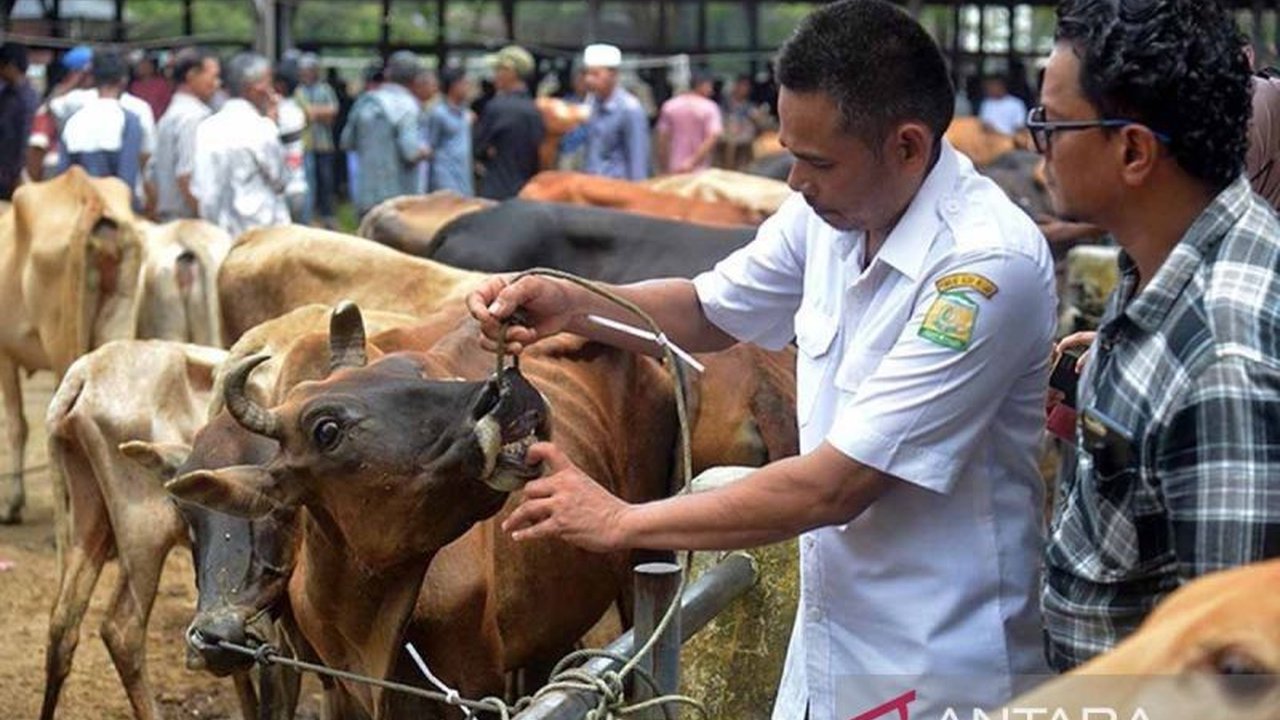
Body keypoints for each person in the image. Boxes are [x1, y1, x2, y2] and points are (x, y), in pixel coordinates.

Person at [467, 2, 1056, 718]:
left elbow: (835, 487)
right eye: (792, 153)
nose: (795, 181)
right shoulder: (831, 214)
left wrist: (622, 521)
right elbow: (709, 309)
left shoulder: (983, 267)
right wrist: (574, 302)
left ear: (907, 146)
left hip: (936, 662)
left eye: (818, 162)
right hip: (829, 648)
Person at [1035, 0, 1280, 672]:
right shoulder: (1165, 263)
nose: (1039, 147)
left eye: (1052, 125)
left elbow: (1233, 677)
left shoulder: (1222, 364)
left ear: (1134, 151)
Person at [191, 52, 289, 237]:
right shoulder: (262, 128)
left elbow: (199, 188)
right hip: (262, 236)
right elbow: (281, 180)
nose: (272, 92)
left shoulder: (206, 128)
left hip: (218, 236)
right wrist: (273, 125)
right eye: (269, 84)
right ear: (255, 89)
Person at [339, 51, 430, 216]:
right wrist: (426, 151)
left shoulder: (365, 102)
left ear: (388, 74)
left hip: (365, 196)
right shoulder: (408, 106)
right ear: (415, 79)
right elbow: (410, 153)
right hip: (397, 204)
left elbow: (347, 142)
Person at [58, 49, 150, 209]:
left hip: (79, 211)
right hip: (115, 212)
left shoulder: (73, 121)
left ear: (93, 79)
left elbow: (64, 178)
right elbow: (126, 180)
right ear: (123, 80)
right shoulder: (129, 121)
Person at [148, 47, 219, 221]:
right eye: (213, 77)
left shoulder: (169, 116)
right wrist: (208, 219)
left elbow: (150, 176)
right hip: (189, 222)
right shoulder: (194, 117)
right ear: (192, 76)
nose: (217, 84)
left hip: (168, 222)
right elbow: (187, 176)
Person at [472, 45, 544, 200]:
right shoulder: (536, 109)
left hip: (497, 191)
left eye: (498, 70)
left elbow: (477, 147)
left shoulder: (497, 107)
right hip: (528, 193)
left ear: (511, 72)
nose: (494, 75)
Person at [581, 43, 649, 180]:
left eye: (595, 74)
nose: (588, 79)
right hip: (590, 184)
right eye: (586, 74)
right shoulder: (590, 105)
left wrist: (637, 188)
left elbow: (637, 158)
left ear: (613, 74)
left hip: (617, 186)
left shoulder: (630, 109)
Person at [294, 53, 339, 227]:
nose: (306, 73)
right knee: (308, 182)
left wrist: (312, 112)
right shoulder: (298, 91)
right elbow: (300, 114)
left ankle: (328, 215)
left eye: (309, 70)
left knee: (326, 181)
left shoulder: (325, 89)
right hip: (305, 146)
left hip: (324, 144)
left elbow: (332, 111)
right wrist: (318, 113)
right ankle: (308, 216)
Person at [655, 70, 723, 174]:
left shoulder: (670, 106)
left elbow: (662, 139)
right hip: (699, 170)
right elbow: (712, 137)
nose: (711, 90)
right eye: (710, 86)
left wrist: (663, 167)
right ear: (701, 85)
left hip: (673, 168)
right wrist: (692, 162)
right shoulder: (710, 108)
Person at [426, 67, 474, 195]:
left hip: (463, 174)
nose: (468, 87)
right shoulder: (437, 113)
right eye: (465, 83)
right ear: (454, 85)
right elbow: (430, 145)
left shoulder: (466, 113)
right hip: (444, 175)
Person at [0, 42, 37, 200]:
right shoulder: (5, 94)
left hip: (11, 175)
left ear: (11, 66)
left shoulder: (26, 99)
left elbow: (23, 140)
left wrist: (17, 174)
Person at [274, 57, 310, 220]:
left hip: (281, 192)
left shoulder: (277, 110)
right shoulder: (297, 111)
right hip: (298, 185)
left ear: (280, 85)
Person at [721, 74, 760, 170]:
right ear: (736, 86)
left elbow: (757, 120)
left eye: (747, 87)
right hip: (727, 134)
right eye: (743, 85)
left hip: (744, 136)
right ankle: (728, 168)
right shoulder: (726, 103)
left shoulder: (749, 105)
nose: (745, 89)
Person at [128, 53, 172, 120]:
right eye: (139, 65)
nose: (141, 68)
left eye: (144, 65)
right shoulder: (134, 86)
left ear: (151, 67)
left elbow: (167, 104)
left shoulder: (161, 84)